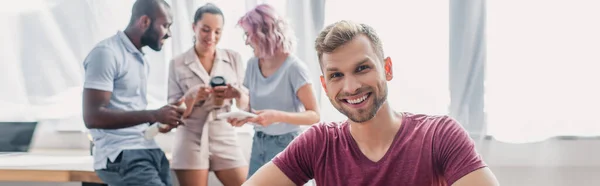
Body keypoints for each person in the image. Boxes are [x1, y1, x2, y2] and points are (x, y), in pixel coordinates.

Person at [242, 20, 500, 186]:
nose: (351, 86)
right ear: (325, 86)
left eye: (362, 68)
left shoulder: (439, 135)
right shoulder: (319, 143)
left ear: (387, 68)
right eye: (336, 75)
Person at [82, 0, 179, 185]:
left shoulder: (140, 59)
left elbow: (129, 110)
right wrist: (154, 114)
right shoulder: (106, 53)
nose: (169, 34)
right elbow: (93, 117)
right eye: (165, 25)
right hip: (121, 155)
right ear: (144, 22)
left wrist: (159, 120)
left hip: (148, 149)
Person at [227, 4, 320, 178]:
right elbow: (249, 107)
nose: (246, 41)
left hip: (287, 145)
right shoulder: (252, 64)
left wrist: (277, 116)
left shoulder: (294, 68)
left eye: (248, 35)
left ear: (264, 32)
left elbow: (314, 115)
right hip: (259, 142)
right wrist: (241, 107)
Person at [167, 3, 249, 186]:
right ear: (193, 27)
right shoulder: (177, 63)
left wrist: (237, 94)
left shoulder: (233, 58)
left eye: (217, 31)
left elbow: (245, 106)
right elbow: (172, 114)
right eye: (205, 30)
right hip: (190, 137)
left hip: (224, 133)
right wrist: (191, 97)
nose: (211, 37)